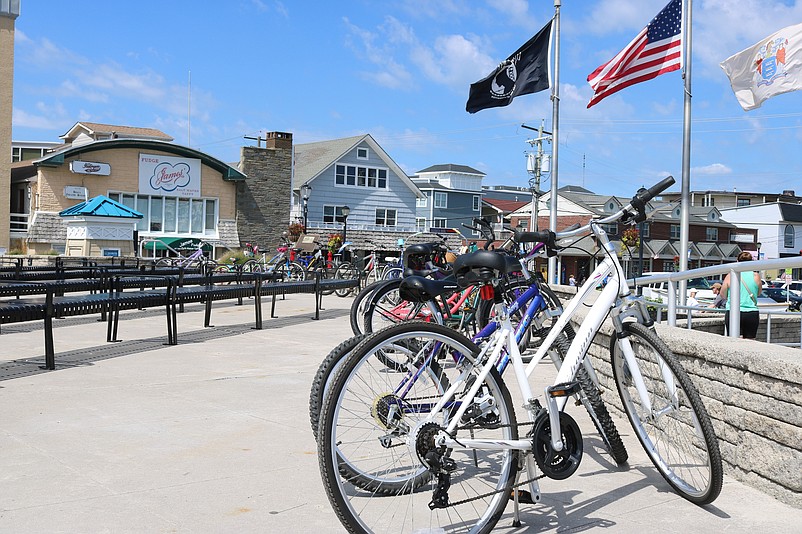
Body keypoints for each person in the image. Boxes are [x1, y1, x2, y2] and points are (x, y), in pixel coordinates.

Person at [720, 251, 762, 339]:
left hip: (733, 312)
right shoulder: (756, 276)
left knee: (733, 341)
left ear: (737, 261)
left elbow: (723, 295)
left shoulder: (731, 276)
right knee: (750, 342)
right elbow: (758, 293)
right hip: (751, 312)